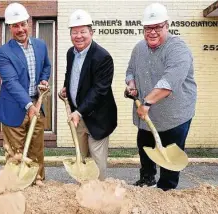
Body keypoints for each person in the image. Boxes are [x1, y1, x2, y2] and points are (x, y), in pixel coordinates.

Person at [125, 3, 197, 191]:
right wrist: (131, 84)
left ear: (167, 26)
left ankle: (166, 189)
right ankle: (147, 179)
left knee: (169, 156)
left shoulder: (178, 49)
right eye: (148, 27)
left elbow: (169, 82)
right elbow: (131, 71)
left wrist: (147, 102)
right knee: (145, 148)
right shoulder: (139, 48)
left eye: (157, 27)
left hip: (174, 116)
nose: (153, 32)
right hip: (146, 117)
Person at [0, 3, 51, 186]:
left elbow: (46, 67)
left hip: (37, 104)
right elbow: (11, 82)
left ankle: (38, 182)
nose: (20, 29)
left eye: (23, 24)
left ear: (29, 23)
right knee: (15, 152)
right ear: (9, 27)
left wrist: (43, 80)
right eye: (15, 25)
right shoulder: (3, 52)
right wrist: (28, 106)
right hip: (14, 107)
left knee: (36, 149)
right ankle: (15, 186)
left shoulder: (41, 46)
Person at [60, 9, 117, 181]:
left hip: (97, 118)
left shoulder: (103, 57)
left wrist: (79, 111)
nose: (78, 36)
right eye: (74, 32)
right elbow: (71, 75)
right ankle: (85, 190)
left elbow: (99, 90)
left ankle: (98, 196)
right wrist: (65, 89)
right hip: (78, 117)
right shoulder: (71, 53)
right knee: (81, 158)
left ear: (91, 32)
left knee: (97, 163)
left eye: (83, 31)